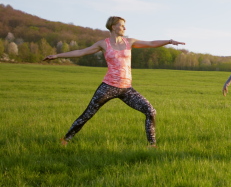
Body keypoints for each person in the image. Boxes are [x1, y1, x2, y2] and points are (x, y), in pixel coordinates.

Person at [43, 16, 185, 147]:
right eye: (122, 25)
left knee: (150, 111)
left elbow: (152, 43)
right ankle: (65, 139)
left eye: (124, 26)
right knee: (88, 114)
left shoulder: (129, 42)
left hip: (126, 89)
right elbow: (81, 52)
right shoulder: (103, 44)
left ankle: (152, 145)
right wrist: (57, 55)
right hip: (108, 87)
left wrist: (169, 41)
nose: (124, 28)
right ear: (113, 26)